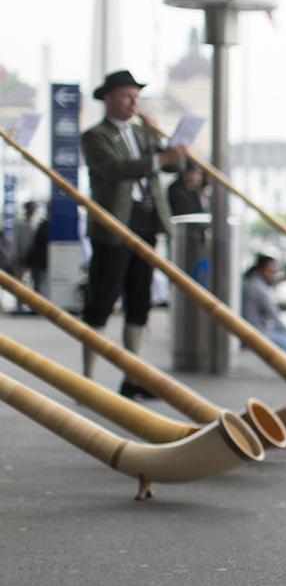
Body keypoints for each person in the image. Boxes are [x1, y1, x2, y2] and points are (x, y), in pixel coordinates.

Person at [80, 70, 187, 399]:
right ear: (109, 99)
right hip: (113, 225)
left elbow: (173, 167)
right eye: (128, 96)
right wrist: (158, 158)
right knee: (101, 299)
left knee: (140, 301)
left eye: (137, 97)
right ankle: (87, 380)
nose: (134, 103)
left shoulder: (144, 134)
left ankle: (133, 377)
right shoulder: (95, 135)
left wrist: (162, 144)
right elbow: (115, 169)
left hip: (146, 220)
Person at [240, 254, 286, 363]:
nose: (273, 274)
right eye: (271, 271)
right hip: (258, 332)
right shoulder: (257, 287)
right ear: (260, 269)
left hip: (258, 330)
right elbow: (274, 315)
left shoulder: (253, 283)